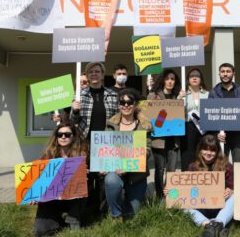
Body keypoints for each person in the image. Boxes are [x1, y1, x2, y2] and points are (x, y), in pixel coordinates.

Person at [71, 62, 119, 215]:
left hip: (106, 143)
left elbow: (118, 118)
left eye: (97, 71)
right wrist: (75, 111)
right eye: (91, 72)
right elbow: (73, 122)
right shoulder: (80, 95)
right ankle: (86, 210)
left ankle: (102, 210)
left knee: (103, 177)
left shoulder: (112, 95)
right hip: (85, 142)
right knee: (86, 176)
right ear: (87, 75)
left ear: (103, 75)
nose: (94, 74)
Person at [164, 134, 233, 237]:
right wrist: (171, 192)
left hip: (221, 207)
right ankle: (208, 224)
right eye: (205, 149)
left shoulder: (226, 166)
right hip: (201, 207)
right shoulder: (192, 167)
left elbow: (235, 186)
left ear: (218, 152)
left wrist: (231, 190)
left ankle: (216, 223)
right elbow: (185, 191)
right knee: (180, 201)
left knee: (235, 196)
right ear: (200, 150)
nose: (208, 153)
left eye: (212, 150)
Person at [104, 89, 152, 219]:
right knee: (111, 180)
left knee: (132, 215)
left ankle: (122, 205)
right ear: (118, 105)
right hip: (116, 170)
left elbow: (146, 150)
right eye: (122, 102)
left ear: (135, 104)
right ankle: (115, 214)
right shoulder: (110, 124)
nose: (126, 105)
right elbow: (105, 148)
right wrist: (104, 165)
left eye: (129, 102)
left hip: (136, 175)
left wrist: (127, 165)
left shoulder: (143, 125)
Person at [33, 122, 89, 237]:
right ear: (56, 137)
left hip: (74, 200)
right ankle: (57, 221)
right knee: (40, 231)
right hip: (51, 200)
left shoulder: (81, 155)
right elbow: (40, 181)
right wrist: (34, 194)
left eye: (67, 134)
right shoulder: (47, 156)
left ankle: (73, 218)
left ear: (73, 136)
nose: (63, 137)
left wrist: (84, 174)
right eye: (60, 134)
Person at [147, 68, 182, 198]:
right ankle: (160, 196)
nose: (170, 81)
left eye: (172, 79)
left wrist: (179, 100)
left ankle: (170, 197)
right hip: (159, 139)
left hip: (173, 139)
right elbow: (149, 116)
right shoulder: (153, 95)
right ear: (162, 80)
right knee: (160, 169)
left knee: (171, 170)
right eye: (167, 79)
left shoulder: (178, 96)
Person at [208, 63, 240, 163]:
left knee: (239, 164)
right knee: (221, 165)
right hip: (222, 135)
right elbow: (210, 115)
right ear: (219, 74)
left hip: (239, 135)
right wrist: (216, 133)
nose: (225, 74)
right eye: (222, 72)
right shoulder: (213, 92)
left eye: (228, 71)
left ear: (233, 73)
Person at [178, 68, 209, 171]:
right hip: (188, 126)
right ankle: (187, 176)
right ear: (188, 79)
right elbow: (176, 111)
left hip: (203, 127)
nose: (194, 77)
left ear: (201, 79)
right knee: (188, 154)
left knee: (203, 153)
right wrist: (179, 98)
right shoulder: (183, 94)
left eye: (197, 76)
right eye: (192, 76)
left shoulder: (208, 94)